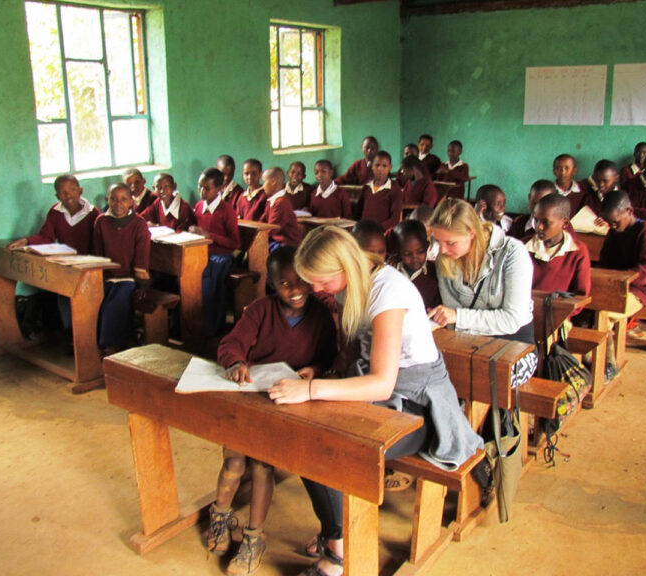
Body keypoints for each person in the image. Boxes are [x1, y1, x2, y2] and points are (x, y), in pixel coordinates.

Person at [267, 226, 483, 576]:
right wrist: (320, 373)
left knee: (331, 445)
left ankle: (339, 553)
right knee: (305, 430)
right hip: (376, 388)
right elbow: (353, 349)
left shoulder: (389, 292)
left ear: (344, 267)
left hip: (417, 407)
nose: (316, 290)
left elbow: (384, 384)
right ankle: (337, 534)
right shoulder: (349, 284)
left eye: (320, 281)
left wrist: (312, 390)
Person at [213, 246, 337, 576]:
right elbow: (231, 344)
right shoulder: (259, 310)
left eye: (301, 282)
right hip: (253, 397)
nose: (295, 290)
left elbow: (329, 355)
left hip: (288, 402)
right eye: (285, 284)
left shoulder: (321, 316)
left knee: (262, 466)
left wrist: (314, 368)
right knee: (234, 462)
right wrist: (237, 361)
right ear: (271, 283)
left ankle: (254, 537)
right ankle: (220, 516)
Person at [427, 198, 537, 385]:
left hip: (515, 346)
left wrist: (458, 317)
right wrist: (446, 317)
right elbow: (452, 313)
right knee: (428, 374)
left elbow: (511, 320)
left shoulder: (512, 253)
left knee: (484, 380)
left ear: (471, 234)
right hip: (468, 342)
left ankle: (476, 414)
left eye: (450, 243)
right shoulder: (444, 259)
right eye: (438, 241)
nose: (442, 250)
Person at [8, 174, 100, 333]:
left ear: (80, 190)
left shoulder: (93, 213)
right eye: (63, 192)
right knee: (63, 292)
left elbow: (99, 242)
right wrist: (27, 241)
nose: (68, 195)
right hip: (66, 264)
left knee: (81, 294)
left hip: (89, 264)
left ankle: (86, 333)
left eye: (72, 190)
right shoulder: (55, 212)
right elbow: (46, 236)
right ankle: (70, 333)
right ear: (58, 196)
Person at [598, 190, 646, 378]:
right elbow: (605, 261)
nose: (612, 226)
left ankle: (609, 363)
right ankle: (589, 360)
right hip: (613, 286)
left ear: (629, 211)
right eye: (609, 223)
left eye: (615, 222)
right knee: (586, 311)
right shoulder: (613, 232)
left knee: (602, 315)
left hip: (639, 290)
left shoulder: (645, 231)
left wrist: (620, 279)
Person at [93, 184, 151, 353]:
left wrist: (142, 284)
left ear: (132, 202)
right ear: (107, 200)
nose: (118, 204)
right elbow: (97, 253)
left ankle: (109, 345)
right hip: (107, 276)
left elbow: (142, 257)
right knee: (93, 297)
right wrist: (98, 277)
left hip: (130, 277)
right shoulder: (101, 221)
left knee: (118, 296)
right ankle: (122, 338)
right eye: (114, 199)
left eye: (124, 199)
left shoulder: (139, 224)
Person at [191, 167, 240, 336]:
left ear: (219, 189)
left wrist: (210, 236)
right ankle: (192, 325)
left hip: (222, 257)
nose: (202, 191)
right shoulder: (198, 207)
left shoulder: (227, 211)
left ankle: (211, 328)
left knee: (208, 276)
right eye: (200, 186)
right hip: (202, 253)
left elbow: (235, 243)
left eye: (207, 188)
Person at [527, 193, 590, 297]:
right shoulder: (522, 247)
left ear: (564, 223)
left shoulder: (578, 252)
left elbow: (580, 296)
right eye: (536, 220)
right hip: (523, 311)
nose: (539, 227)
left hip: (561, 311)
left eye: (546, 222)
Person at [392, 220, 441, 309]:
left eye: (420, 251)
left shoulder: (435, 273)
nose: (415, 258)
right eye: (407, 254)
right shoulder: (392, 271)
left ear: (427, 246)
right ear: (398, 252)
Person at [357, 151, 403, 232]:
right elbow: (358, 212)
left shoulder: (394, 189)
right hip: (363, 231)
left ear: (390, 167)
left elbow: (395, 218)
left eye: (384, 166)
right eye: (377, 165)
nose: (380, 169)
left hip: (382, 232)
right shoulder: (367, 187)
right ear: (372, 166)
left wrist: (377, 229)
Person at [260, 167, 302, 250]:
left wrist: (258, 237)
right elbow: (262, 221)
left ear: (273, 181)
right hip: (276, 241)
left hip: (287, 244)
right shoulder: (271, 201)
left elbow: (272, 228)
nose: (262, 186)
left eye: (264, 182)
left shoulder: (281, 202)